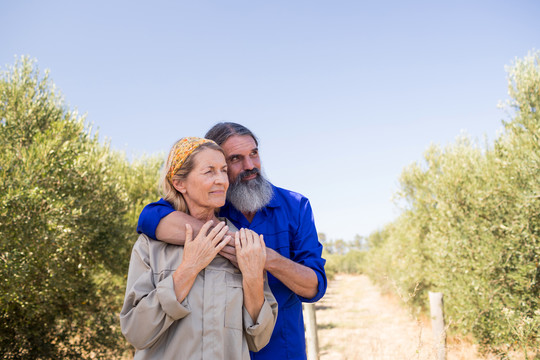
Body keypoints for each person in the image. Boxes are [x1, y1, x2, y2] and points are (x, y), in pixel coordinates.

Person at [137, 123, 327, 360]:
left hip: (282, 349)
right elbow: (149, 217)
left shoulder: (296, 206)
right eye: (236, 159)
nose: (250, 166)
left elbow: (314, 287)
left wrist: (264, 257)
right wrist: (224, 238)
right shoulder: (213, 204)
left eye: (254, 154)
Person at [120, 137, 278, 359]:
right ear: (179, 183)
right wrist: (189, 268)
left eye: (223, 171)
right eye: (209, 172)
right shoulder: (150, 246)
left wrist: (253, 277)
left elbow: (259, 339)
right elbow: (136, 333)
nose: (222, 180)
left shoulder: (244, 245)